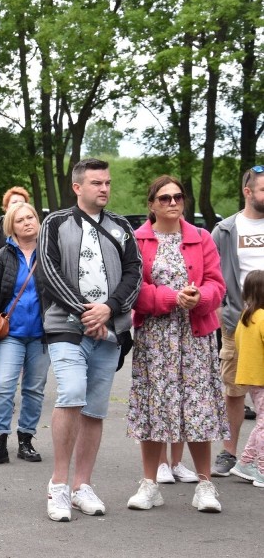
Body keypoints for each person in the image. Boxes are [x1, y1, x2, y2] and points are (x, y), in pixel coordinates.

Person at [37, 158, 142, 522]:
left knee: (95, 409)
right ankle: (59, 485)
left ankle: (83, 485)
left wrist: (109, 309)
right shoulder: (55, 222)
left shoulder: (122, 226)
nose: (105, 189)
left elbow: (135, 272)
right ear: (77, 187)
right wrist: (87, 312)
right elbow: (49, 272)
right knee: (71, 395)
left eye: (108, 183)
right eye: (97, 183)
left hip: (109, 329)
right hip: (66, 327)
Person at [125, 175, 227, 513]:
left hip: (195, 337)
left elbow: (217, 283)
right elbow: (132, 289)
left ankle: (205, 486)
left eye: (178, 197)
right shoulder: (137, 240)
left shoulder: (201, 237)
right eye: (165, 198)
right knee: (155, 409)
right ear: (151, 204)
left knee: (198, 409)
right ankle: (150, 484)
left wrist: (199, 297)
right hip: (155, 338)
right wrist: (170, 297)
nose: (172, 203)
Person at [0, 202, 49, 466]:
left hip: (42, 334)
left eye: (31, 217)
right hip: (11, 334)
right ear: (12, 227)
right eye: (20, 220)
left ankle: (26, 440)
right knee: (3, 386)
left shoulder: (49, 254)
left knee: (34, 389)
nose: (27, 223)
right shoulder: (4, 256)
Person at [210, 165, 264, 476]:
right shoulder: (227, 229)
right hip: (239, 323)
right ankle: (229, 453)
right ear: (247, 192)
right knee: (234, 389)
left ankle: (254, 458)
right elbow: (214, 276)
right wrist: (222, 317)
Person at [230, 270, 264, 486]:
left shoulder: (245, 318)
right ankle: (261, 469)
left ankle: (246, 462)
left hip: (252, 378)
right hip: (262, 378)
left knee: (262, 421)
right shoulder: (262, 317)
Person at [0, 186, 30, 276]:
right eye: (14, 202)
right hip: (0, 277)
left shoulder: (32, 225)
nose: (18, 205)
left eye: (22, 203)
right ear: (6, 207)